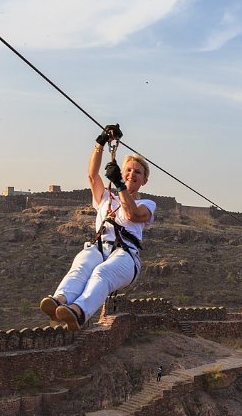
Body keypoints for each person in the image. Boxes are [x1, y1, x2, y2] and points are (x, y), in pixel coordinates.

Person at [40, 124, 156, 331]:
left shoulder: (146, 204)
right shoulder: (105, 197)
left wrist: (120, 184)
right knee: (82, 264)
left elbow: (132, 214)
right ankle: (60, 300)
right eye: (128, 170)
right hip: (100, 246)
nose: (132, 174)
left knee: (102, 273)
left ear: (144, 180)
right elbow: (93, 176)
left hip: (126, 255)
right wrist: (100, 142)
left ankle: (78, 311)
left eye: (137, 172)